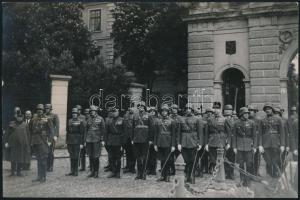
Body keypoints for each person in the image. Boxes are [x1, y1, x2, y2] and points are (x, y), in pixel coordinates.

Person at [178, 104, 203, 183]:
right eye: (186, 108)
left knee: (193, 160)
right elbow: (179, 132)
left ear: (192, 109)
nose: (188, 110)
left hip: (193, 141)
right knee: (185, 160)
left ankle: (192, 175)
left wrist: (200, 143)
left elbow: (200, 132)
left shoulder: (197, 119)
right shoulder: (181, 119)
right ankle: (186, 175)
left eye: (189, 108)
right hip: (184, 141)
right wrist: (179, 143)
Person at [258, 103, 285, 178]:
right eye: (266, 109)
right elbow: (260, 134)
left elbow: (282, 133)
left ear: (272, 110)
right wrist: (260, 145)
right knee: (268, 161)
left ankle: (276, 176)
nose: (267, 110)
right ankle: (269, 176)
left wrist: (282, 144)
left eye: (269, 109)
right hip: (266, 144)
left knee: (275, 161)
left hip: (276, 143)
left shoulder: (278, 119)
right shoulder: (262, 121)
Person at [233, 107, 257, 187]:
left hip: (249, 146)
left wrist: (254, 146)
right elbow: (234, 136)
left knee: (249, 163)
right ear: (241, 114)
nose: (246, 115)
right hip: (239, 146)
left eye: (247, 113)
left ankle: (248, 180)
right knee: (241, 164)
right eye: (245, 113)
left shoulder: (252, 123)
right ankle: (242, 179)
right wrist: (234, 147)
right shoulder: (236, 123)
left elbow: (254, 136)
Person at [30, 104, 54, 183]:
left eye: (41, 109)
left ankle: (43, 177)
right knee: (38, 159)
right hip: (35, 141)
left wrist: (50, 141)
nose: (39, 111)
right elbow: (30, 130)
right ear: (36, 110)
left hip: (43, 141)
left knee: (43, 159)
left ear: (43, 110)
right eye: (38, 109)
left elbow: (51, 130)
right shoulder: (33, 119)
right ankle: (39, 176)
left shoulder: (47, 119)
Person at [5, 111, 31, 177]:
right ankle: (12, 172)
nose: (19, 118)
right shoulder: (11, 124)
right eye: (18, 117)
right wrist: (6, 142)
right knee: (13, 158)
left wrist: (28, 144)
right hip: (13, 144)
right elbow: (7, 134)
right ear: (16, 117)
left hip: (21, 145)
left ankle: (19, 172)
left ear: (22, 117)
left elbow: (28, 135)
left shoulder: (25, 125)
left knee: (20, 158)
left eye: (21, 117)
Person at [205, 103, 229, 175]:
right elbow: (207, 132)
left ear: (220, 109)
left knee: (221, 158)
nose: (216, 110)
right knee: (212, 158)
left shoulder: (224, 120)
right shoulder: (210, 120)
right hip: (212, 141)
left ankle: (221, 172)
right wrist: (206, 143)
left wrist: (228, 143)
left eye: (217, 108)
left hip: (221, 141)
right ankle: (214, 171)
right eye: (214, 108)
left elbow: (228, 132)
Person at [154, 104, 176, 182]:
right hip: (160, 142)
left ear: (168, 112)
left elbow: (174, 134)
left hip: (168, 142)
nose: (164, 112)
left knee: (168, 160)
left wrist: (173, 145)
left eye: (165, 111)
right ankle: (162, 175)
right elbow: (156, 133)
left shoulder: (172, 121)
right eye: (162, 111)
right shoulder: (158, 121)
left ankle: (167, 175)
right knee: (162, 160)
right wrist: (155, 144)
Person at [132, 101, 151, 180]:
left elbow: (151, 128)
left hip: (145, 139)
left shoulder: (148, 115)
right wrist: (132, 138)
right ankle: (139, 173)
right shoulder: (135, 115)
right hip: (137, 139)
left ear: (144, 108)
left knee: (145, 157)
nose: (141, 108)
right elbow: (133, 128)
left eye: (142, 106)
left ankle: (144, 173)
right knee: (138, 157)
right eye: (139, 106)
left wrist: (150, 139)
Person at [85, 105, 106, 178]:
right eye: (91, 111)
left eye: (93, 111)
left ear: (96, 112)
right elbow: (86, 130)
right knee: (90, 156)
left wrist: (102, 139)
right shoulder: (88, 119)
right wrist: (85, 140)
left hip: (97, 140)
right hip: (89, 140)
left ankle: (96, 172)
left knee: (96, 157)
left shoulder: (100, 119)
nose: (91, 113)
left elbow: (103, 130)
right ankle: (92, 171)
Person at [104, 107, 124, 178]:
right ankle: (113, 171)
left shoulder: (122, 120)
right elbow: (106, 131)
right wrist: (105, 141)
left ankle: (118, 172)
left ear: (118, 112)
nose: (114, 113)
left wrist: (122, 143)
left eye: (115, 112)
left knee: (118, 157)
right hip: (111, 140)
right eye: (113, 112)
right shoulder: (108, 121)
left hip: (118, 141)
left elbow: (124, 132)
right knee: (111, 157)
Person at [65, 108, 85, 176]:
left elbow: (82, 133)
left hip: (77, 141)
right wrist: (66, 141)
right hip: (70, 141)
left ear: (77, 114)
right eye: (73, 113)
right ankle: (72, 170)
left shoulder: (80, 121)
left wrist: (82, 143)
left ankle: (76, 171)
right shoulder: (69, 121)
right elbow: (67, 132)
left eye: (75, 113)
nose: (74, 114)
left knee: (76, 156)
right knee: (71, 156)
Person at [44, 104, 60, 172]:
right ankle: (46, 166)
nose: (46, 109)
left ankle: (50, 166)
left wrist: (56, 135)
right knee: (45, 152)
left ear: (50, 109)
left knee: (51, 152)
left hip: (51, 136)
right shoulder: (43, 115)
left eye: (48, 108)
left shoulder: (54, 115)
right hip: (44, 136)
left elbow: (57, 126)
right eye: (46, 108)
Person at [248, 104, 261, 176]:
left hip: (256, 141)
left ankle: (256, 172)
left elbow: (260, 132)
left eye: (251, 110)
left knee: (257, 158)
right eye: (249, 110)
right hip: (249, 141)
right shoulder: (246, 120)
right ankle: (250, 173)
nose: (250, 112)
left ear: (255, 111)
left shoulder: (258, 120)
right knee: (249, 158)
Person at [169, 104, 182, 176]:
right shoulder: (169, 117)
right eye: (173, 108)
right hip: (170, 139)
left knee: (178, 156)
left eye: (175, 108)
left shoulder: (180, 118)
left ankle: (178, 170)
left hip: (178, 139)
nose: (174, 110)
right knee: (170, 156)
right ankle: (172, 169)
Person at [122, 107, 136, 173]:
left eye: (131, 111)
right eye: (129, 110)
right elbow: (123, 127)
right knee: (127, 153)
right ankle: (128, 166)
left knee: (133, 153)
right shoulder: (125, 117)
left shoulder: (136, 117)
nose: (129, 111)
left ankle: (132, 167)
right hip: (126, 137)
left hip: (133, 137)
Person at [223, 104, 235, 180]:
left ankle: (231, 173)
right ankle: (226, 173)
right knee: (225, 157)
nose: (228, 113)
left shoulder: (235, 120)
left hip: (233, 142)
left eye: (230, 110)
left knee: (232, 158)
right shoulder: (222, 120)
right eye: (227, 111)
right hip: (225, 141)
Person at [146, 106, 158, 175]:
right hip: (148, 140)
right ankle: (148, 169)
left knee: (154, 156)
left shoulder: (157, 119)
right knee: (148, 156)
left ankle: (153, 170)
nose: (152, 112)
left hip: (155, 140)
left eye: (153, 111)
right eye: (151, 111)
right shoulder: (147, 119)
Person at [76, 105, 87, 172]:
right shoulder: (74, 117)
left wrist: (84, 139)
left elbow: (85, 128)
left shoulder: (83, 117)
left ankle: (83, 167)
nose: (78, 111)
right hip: (76, 137)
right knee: (76, 153)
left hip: (81, 137)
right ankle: (76, 165)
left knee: (82, 153)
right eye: (77, 110)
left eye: (79, 110)